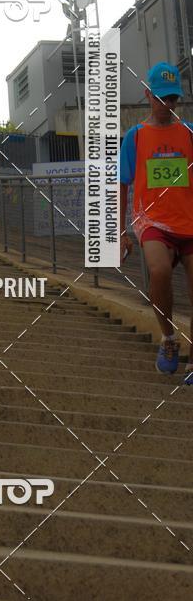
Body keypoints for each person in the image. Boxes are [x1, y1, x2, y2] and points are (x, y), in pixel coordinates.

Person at [120, 62, 193, 383]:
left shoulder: (189, 132)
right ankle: (168, 339)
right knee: (160, 271)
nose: (168, 105)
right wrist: (121, 231)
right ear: (148, 94)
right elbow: (122, 183)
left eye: (173, 98)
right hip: (151, 221)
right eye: (162, 98)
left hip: (189, 220)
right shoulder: (135, 137)